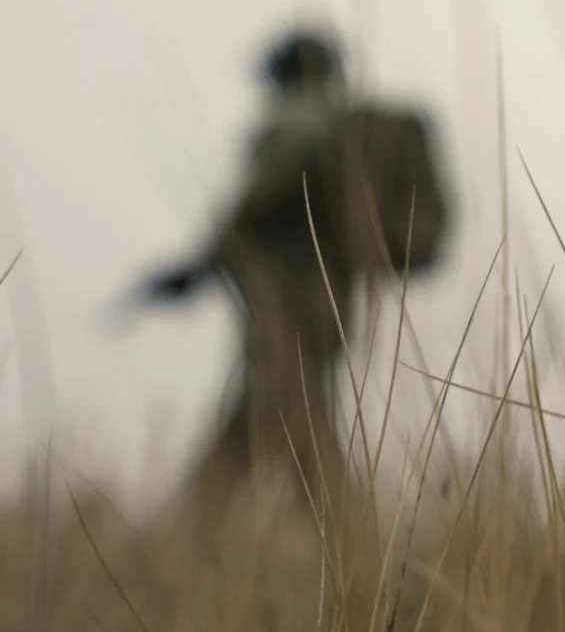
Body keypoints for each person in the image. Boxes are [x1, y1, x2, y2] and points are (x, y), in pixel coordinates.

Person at [135, 25, 451, 505]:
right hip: (327, 305)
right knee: (292, 421)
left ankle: (188, 535)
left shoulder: (299, 122)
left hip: (290, 305)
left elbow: (254, 205)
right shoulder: (340, 129)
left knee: (274, 419)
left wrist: (198, 268)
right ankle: (348, 559)